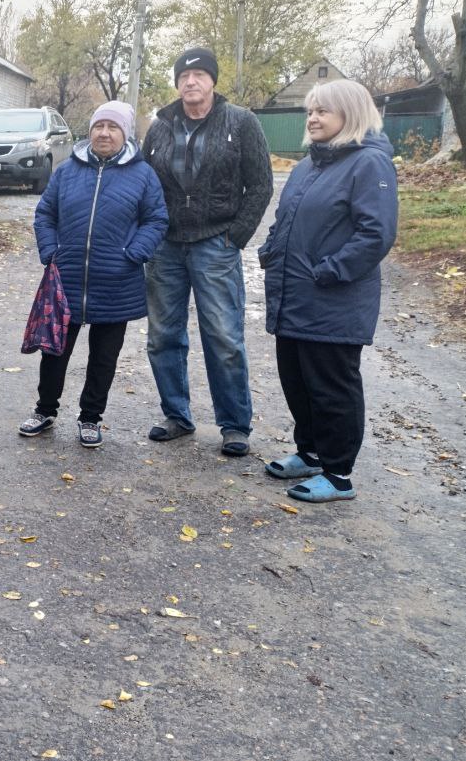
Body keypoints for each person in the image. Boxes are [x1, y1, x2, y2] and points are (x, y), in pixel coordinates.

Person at [258, 80, 397, 502]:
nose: (314, 118)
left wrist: (331, 271)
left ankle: (339, 474)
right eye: (311, 111)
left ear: (350, 114)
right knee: (297, 380)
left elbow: (376, 234)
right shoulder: (308, 166)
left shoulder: (369, 164)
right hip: (296, 296)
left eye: (324, 111)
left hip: (333, 299)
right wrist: (270, 248)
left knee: (332, 386)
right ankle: (312, 452)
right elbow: (287, 219)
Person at [142, 47, 273, 456]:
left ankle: (234, 425)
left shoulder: (241, 122)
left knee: (223, 336)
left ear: (213, 81)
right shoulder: (161, 126)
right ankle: (177, 416)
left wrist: (236, 237)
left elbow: (261, 184)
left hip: (216, 243)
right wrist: (149, 231)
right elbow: (145, 182)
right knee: (163, 335)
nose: (190, 81)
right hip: (166, 246)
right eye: (183, 75)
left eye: (199, 74)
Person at [21, 101, 168, 446]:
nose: (104, 133)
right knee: (54, 350)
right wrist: (50, 251)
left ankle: (90, 417)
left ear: (125, 133)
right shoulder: (68, 170)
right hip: (66, 278)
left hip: (116, 280)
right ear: (89, 132)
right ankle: (45, 410)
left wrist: (135, 253)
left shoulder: (143, 174)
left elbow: (156, 219)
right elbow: (45, 214)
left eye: (112, 127)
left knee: (104, 356)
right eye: (98, 126)